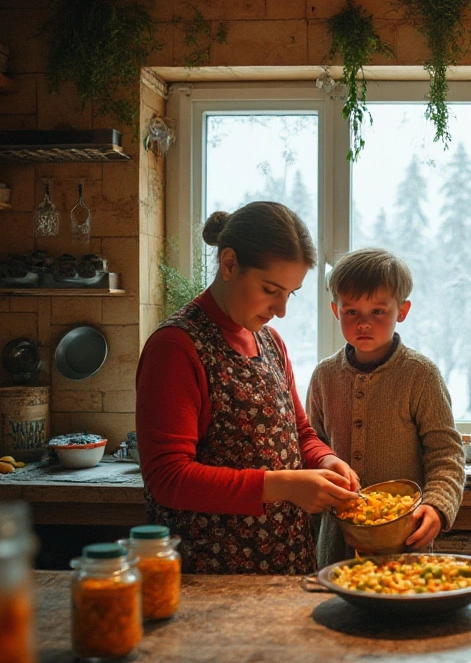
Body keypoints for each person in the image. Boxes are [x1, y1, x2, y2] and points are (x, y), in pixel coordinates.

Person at [135, 202, 359, 575]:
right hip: (214, 573)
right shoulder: (175, 347)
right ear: (228, 264)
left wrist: (325, 460)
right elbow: (168, 478)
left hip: (286, 563)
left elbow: (299, 433)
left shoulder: (270, 342)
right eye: (271, 289)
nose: (282, 309)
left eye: (291, 293)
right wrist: (284, 485)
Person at [307, 248, 465, 567]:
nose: (364, 323)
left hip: (405, 541)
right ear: (335, 311)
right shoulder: (324, 376)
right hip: (336, 543)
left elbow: (446, 453)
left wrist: (436, 505)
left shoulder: (420, 375)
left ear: (402, 311)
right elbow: (312, 445)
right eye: (352, 312)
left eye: (378, 312)